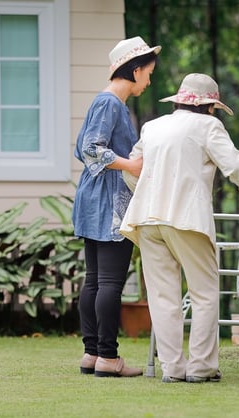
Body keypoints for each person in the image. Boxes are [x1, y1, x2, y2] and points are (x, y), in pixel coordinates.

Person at [120, 73, 239, 383]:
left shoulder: (153, 127)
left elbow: (132, 168)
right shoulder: (208, 126)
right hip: (186, 218)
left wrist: (150, 191)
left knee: (163, 297)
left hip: (148, 218)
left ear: (179, 100)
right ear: (208, 106)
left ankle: (173, 369)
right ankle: (202, 367)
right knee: (204, 293)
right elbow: (234, 165)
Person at [72, 36, 161, 377]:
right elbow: (90, 148)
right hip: (110, 201)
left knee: (94, 280)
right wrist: (130, 165)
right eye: (148, 73)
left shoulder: (106, 103)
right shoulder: (110, 104)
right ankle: (108, 357)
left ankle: (92, 354)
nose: (149, 80)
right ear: (135, 70)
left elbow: (83, 150)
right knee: (109, 282)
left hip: (93, 196)